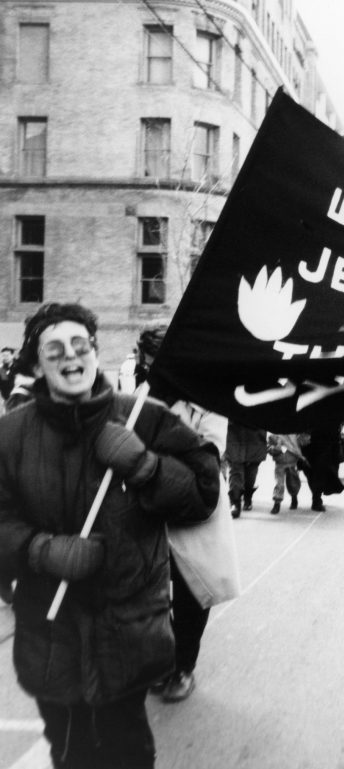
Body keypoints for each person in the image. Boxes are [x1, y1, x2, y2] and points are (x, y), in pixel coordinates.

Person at [0, 303, 220, 768]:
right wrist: (38, 551)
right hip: (50, 634)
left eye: (81, 346)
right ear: (36, 364)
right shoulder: (10, 435)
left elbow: (202, 494)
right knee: (70, 750)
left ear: (96, 354)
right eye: (54, 349)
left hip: (129, 633)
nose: (71, 357)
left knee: (128, 750)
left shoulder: (146, 417)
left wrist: (146, 467)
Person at [136, 324, 231, 704]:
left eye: (157, 361)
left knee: (192, 591)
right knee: (149, 591)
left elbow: (210, 451)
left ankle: (183, 667)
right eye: (147, 362)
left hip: (193, 508)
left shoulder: (206, 398)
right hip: (147, 507)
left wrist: (156, 453)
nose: (152, 369)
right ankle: (163, 662)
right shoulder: (142, 396)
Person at [225, 421, 267, 517]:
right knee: (235, 470)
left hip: (255, 438)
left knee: (251, 474)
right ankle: (235, 502)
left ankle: (248, 495)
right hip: (235, 436)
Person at [267, 432, 307, 512]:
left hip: (292, 461)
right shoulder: (274, 433)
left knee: (293, 482)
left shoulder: (295, 432)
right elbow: (269, 446)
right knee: (279, 483)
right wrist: (274, 449)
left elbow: (303, 442)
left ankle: (294, 497)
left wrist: (302, 438)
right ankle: (277, 503)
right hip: (280, 462)